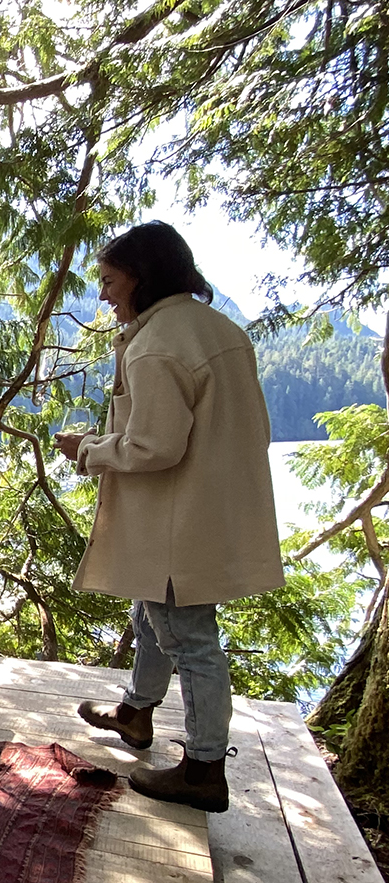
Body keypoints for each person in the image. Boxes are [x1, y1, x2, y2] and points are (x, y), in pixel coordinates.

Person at [54, 221, 283, 812]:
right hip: (208, 507)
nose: (103, 294)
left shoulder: (157, 344)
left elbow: (155, 446)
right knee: (149, 604)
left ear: (141, 276)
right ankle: (135, 711)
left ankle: (204, 767)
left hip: (177, 517)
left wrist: (89, 450)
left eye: (108, 280)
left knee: (189, 637)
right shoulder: (218, 330)